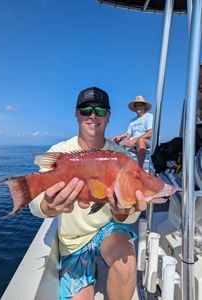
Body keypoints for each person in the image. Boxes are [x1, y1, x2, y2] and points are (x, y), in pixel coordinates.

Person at [29, 87, 164, 300]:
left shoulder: (121, 156)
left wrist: (122, 213)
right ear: (76, 114)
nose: (93, 115)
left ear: (108, 115)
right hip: (73, 240)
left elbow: (129, 215)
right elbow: (36, 205)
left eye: (100, 110)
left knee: (126, 260)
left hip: (108, 231)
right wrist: (47, 205)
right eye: (86, 110)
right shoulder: (60, 151)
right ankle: (89, 270)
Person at [111, 95, 153, 168]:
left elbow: (150, 133)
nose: (138, 107)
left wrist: (134, 140)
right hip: (132, 142)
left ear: (144, 106)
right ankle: (117, 167)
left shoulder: (149, 116)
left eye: (140, 104)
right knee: (113, 142)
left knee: (140, 140)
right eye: (136, 105)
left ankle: (139, 169)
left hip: (145, 141)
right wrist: (118, 137)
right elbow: (128, 134)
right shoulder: (132, 121)